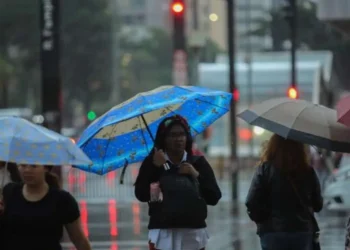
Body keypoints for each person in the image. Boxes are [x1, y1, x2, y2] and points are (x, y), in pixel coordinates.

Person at [134, 115, 222, 250]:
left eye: (182, 134)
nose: (178, 139)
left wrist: (196, 174)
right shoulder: (152, 162)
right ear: (164, 138)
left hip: (193, 234)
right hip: (162, 235)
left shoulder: (198, 163)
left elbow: (214, 197)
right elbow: (141, 194)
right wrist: (154, 168)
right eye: (173, 135)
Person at [245, 134, 323, 250]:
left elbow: (251, 202)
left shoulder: (264, 170)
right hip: (301, 231)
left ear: (273, 147)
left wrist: (262, 220)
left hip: (272, 233)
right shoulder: (307, 171)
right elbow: (317, 205)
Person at [0, 164, 91, 250]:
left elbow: (79, 240)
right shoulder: (9, 192)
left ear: (46, 168)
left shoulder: (62, 200)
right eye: (23, 165)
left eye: (34, 166)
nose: (27, 170)